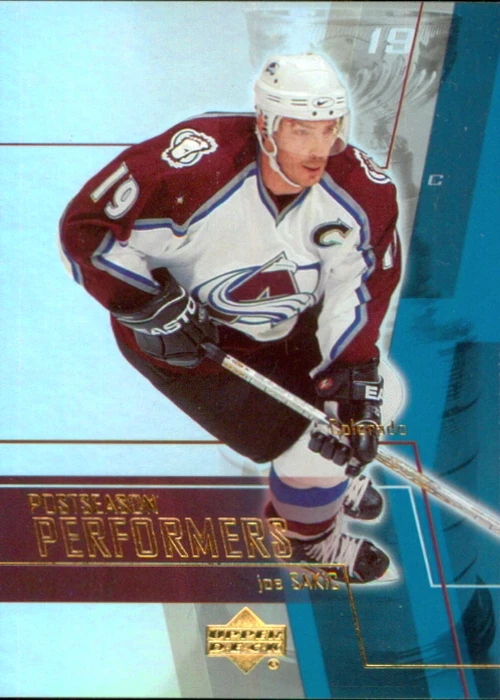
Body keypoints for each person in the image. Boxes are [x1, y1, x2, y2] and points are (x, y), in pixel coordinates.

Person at [59, 53, 401, 583]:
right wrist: (146, 305)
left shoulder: (361, 190)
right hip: (192, 347)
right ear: (266, 124)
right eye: (302, 129)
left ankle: (326, 477)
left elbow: (358, 287)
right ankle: (307, 537)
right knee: (305, 446)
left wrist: (350, 380)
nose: (319, 149)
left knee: (377, 398)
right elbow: (86, 233)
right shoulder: (190, 169)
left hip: (285, 327)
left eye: (330, 128)